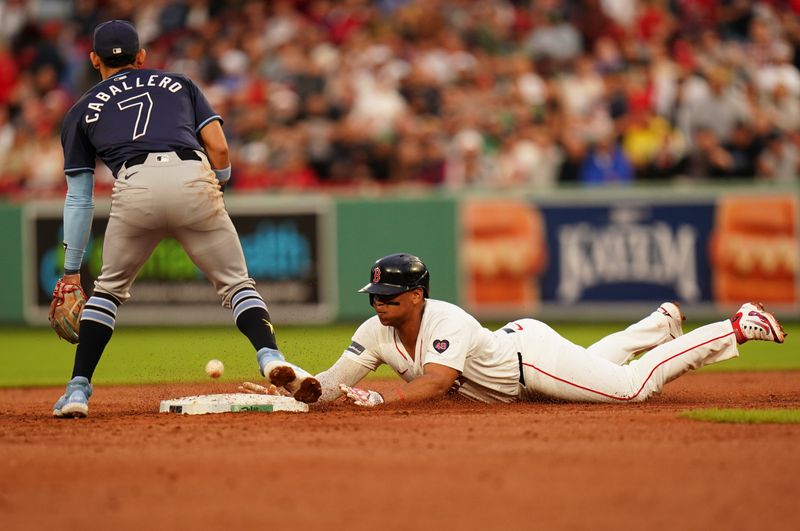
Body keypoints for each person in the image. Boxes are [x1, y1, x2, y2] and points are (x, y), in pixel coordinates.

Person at [51, 20, 320, 418]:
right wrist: (216, 184)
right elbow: (220, 149)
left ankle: (77, 391)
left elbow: (78, 197)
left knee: (106, 293)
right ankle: (269, 356)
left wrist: (72, 271)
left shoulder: (79, 110)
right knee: (237, 286)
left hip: (135, 184)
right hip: (193, 176)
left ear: (94, 59)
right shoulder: (178, 84)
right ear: (141, 57)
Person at [303, 253, 786, 407]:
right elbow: (328, 384)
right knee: (595, 364)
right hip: (517, 355)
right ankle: (659, 323)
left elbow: (437, 381)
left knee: (632, 389)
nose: (379, 303)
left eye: (388, 296)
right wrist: (289, 385)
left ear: (417, 295)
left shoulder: (444, 317)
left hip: (528, 362)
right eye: (375, 296)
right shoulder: (374, 330)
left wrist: (382, 401)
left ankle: (735, 327)